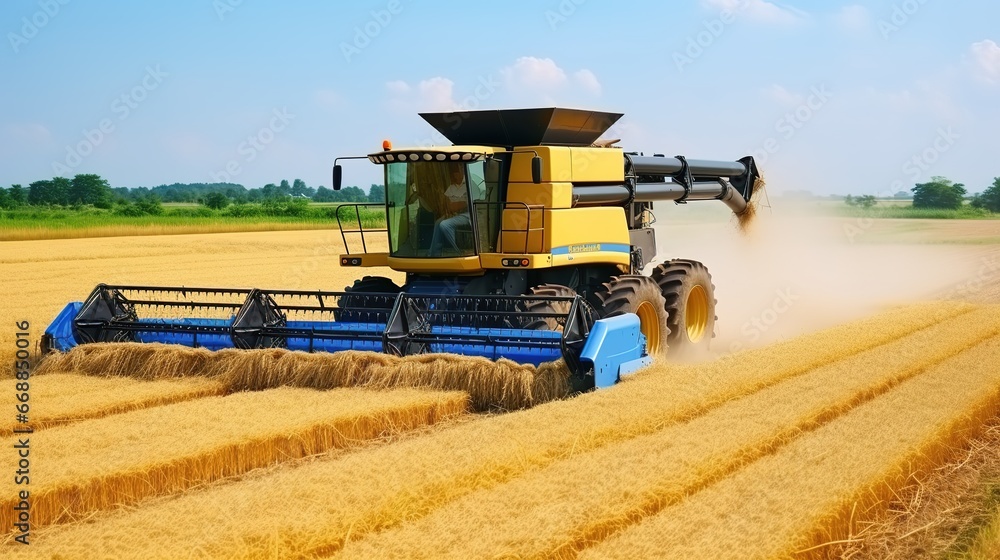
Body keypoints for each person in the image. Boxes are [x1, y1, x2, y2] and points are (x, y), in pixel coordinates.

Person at [429, 164, 473, 256]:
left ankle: (460, 251)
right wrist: (452, 208)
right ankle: (434, 254)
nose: (455, 175)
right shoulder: (451, 187)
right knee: (438, 223)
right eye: (454, 174)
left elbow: (467, 204)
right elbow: (447, 203)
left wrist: (456, 205)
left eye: (457, 173)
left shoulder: (470, 185)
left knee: (445, 224)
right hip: (453, 214)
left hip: (467, 214)